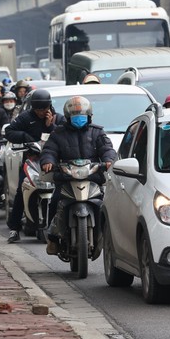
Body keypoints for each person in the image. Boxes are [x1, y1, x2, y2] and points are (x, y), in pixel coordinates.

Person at [40, 96, 116, 255]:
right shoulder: (58, 133)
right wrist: (48, 161)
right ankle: (52, 239)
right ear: (67, 117)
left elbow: (107, 149)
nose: (78, 118)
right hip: (66, 179)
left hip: (93, 178)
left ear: (89, 115)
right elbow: (50, 151)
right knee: (54, 203)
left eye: (81, 115)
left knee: (105, 206)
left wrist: (109, 160)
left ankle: (109, 238)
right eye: (74, 115)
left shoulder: (97, 132)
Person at [3, 89, 64, 243]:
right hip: (33, 160)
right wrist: (25, 137)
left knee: (61, 191)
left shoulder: (59, 118)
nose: (41, 113)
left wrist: (51, 126)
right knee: (20, 191)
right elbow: (10, 132)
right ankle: (14, 229)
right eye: (37, 110)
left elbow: (64, 136)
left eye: (43, 110)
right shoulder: (25, 118)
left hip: (53, 162)